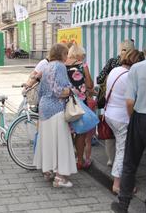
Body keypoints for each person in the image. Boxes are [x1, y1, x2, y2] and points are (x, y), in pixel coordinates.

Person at [111, 38, 146, 213]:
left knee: (130, 163)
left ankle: (123, 204)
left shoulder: (136, 68)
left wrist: (132, 118)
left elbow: (129, 101)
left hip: (138, 117)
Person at [33, 43, 77, 188]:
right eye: (66, 54)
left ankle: (48, 171)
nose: (67, 57)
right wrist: (71, 90)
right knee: (60, 142)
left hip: (44, 108)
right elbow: (60, 90)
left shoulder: (46, 67)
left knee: (47, 141)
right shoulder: (60, 66)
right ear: (62, 54)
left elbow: (40, 91)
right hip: (56, 108)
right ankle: (60, 177)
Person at [105, 49, 145, 194]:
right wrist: (131, 118)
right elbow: (130, 102)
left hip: (110, 114)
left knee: (120, 148)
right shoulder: (129, 76)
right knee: (123, 150)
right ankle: (118, 184)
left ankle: (120, 180)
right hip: (122, 117)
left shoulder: (115, 70)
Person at [97, 39, 135, 167]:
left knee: (110, 136)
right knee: (123, 140)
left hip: (110, 105)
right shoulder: (135, 64)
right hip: (125, 109)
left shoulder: (113, 62)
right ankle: (120, 167)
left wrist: (108, 82)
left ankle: (110, 159)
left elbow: (99, 78)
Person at [65, 44, 94, 170]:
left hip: (66, 102)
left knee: (68, 132)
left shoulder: (63, 64)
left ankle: (69, 159)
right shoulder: (83, 65)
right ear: (79, 55)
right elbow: (90, 85)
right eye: (83, 55)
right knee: (80, 132)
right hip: (80, 104)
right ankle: (80, 161)